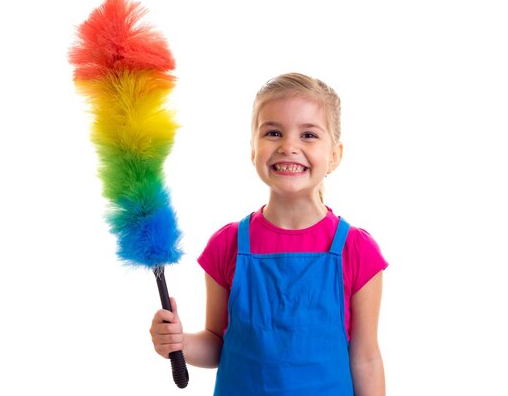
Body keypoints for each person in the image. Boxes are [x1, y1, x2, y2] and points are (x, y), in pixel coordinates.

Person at [150, 72, 388, 395]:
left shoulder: (357, 251)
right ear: (253, 150)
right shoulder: (227, 245)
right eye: (273, 132)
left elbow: (366, 359)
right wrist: (180, 343)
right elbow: (217, 344)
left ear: (335, 155)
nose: (289, 146)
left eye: (309, 135)